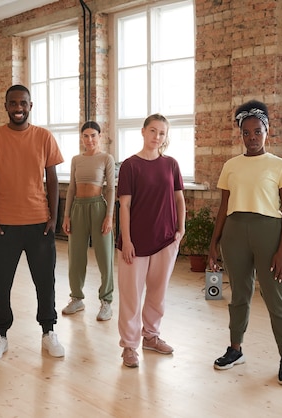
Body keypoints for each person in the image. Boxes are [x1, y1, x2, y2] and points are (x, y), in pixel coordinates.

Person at [208, 100, 282, 386]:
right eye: (246, 133)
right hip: (235, 234)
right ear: (241, 135)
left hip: (269, 234)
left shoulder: (281, 166)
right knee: (239, 295)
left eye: (257, 131)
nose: (252, 138)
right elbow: (223, 208)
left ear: (267, 131)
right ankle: (235, 349)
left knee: (277, 299)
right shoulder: (230, 166)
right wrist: (213, 243)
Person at [0, 84, 65, 361]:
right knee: (1, 284)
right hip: (4, 225)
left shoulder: (44, 137)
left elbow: (52, 179)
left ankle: (48, 331)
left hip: (39, 223)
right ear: (5, 106)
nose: (18, 108)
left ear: (30, 105)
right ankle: (0, 334)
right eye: (13, 103)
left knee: (45, 282)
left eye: (23, 103)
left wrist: (53, 217)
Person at [116, 114, 185, 368]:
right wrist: (127, 240)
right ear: (143, 132)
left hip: (166, 240)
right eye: (153, 131)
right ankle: (129, 346)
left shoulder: (171, 165)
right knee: (131, 296)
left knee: (158, 293)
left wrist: (181, 229)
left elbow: (179, 199)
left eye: (162, 133)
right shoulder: (130, 166)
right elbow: (124, 206)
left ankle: (151, 336)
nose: (157, 137)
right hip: (136, 243)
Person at [61, 121, 115, 321]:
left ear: (99, 136)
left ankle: (106, 301)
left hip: (98, 208)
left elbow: (110, 189)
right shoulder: (76, 159)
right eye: (86, 136)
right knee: (75, 256)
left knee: (104, 256)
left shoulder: (106, 158)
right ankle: (77, 298)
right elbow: (72, 189)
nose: (89, 139)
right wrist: (66, 215)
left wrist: (109, 216)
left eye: (93, 135)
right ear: (82, 138)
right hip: (78, 208)